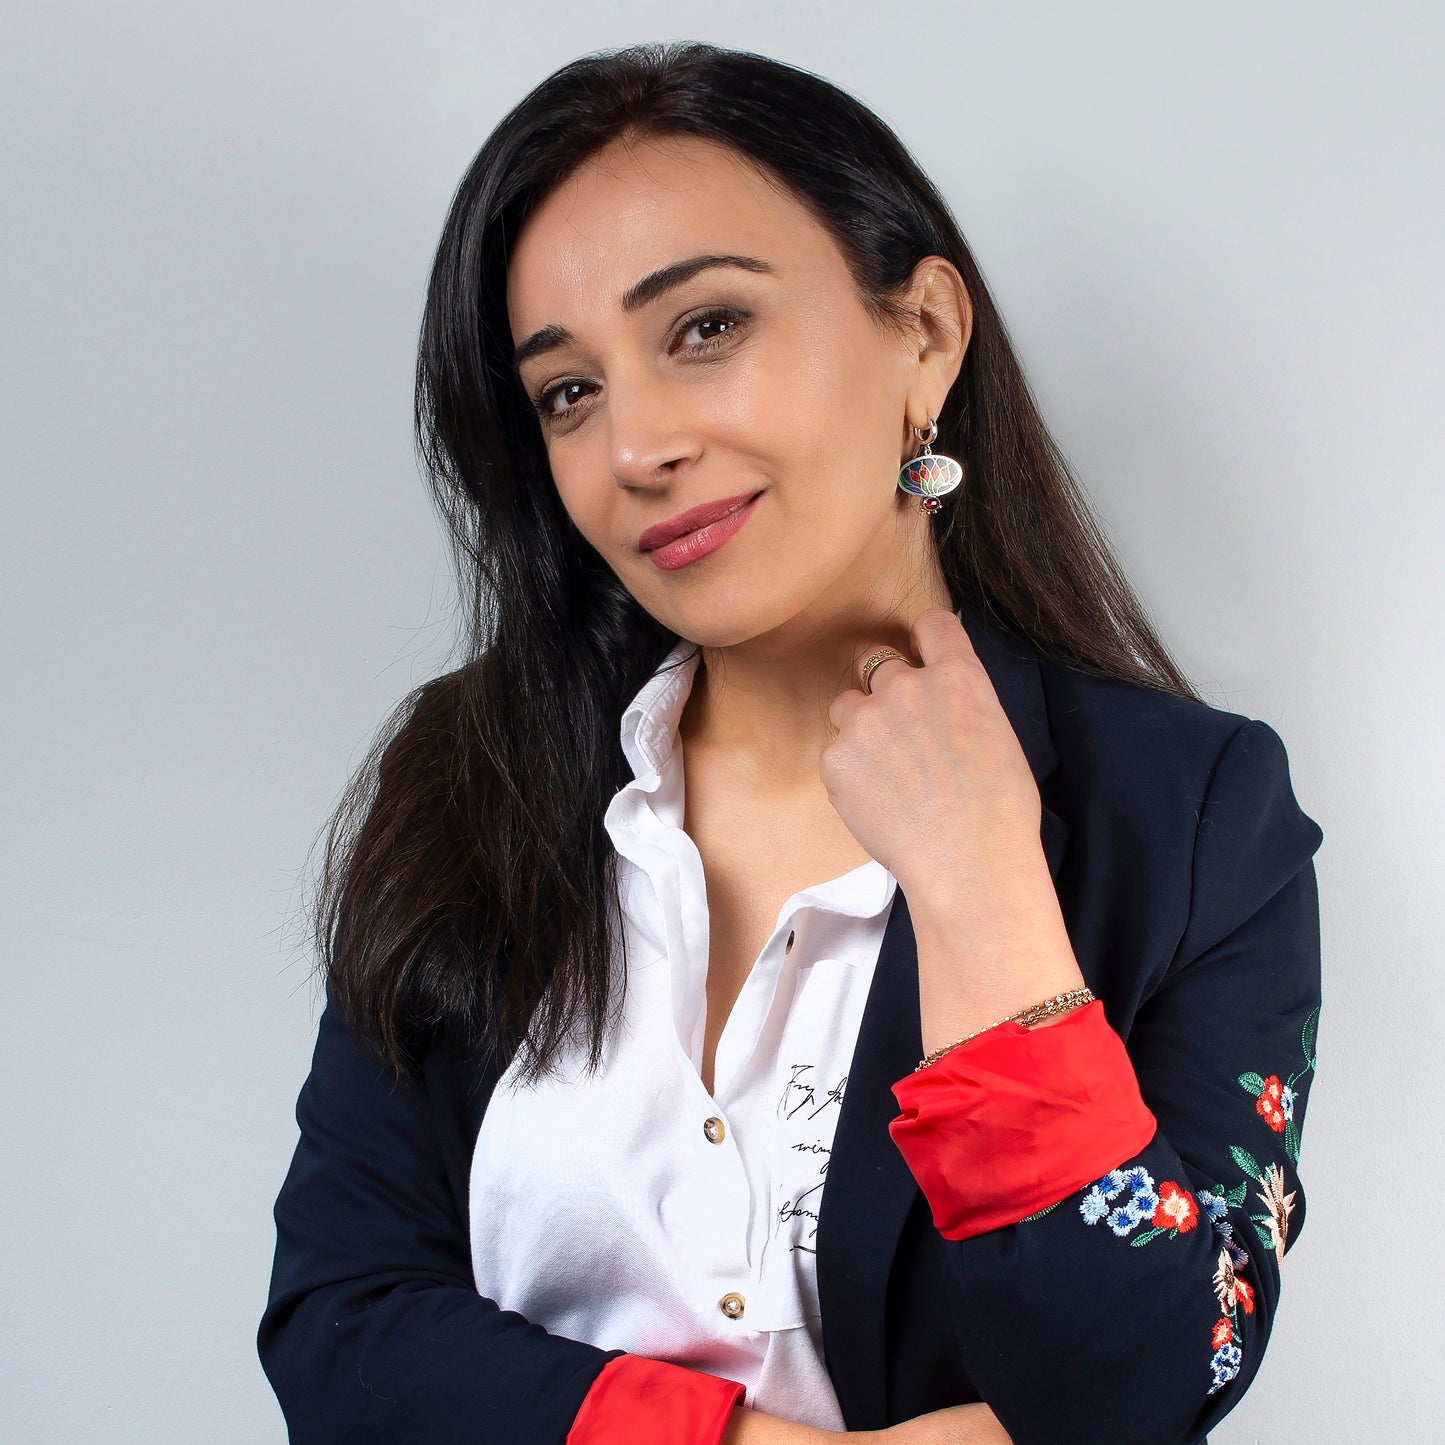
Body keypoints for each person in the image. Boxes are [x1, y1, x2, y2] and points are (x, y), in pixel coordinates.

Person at [258, 39, 1323, 1445]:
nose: (635, 443)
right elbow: (339, 1329)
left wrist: (982, 891)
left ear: (924, 335)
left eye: (703, 326)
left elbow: (1135, 1385)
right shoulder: (469, 771)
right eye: (567, 391)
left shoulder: (1190, 816)